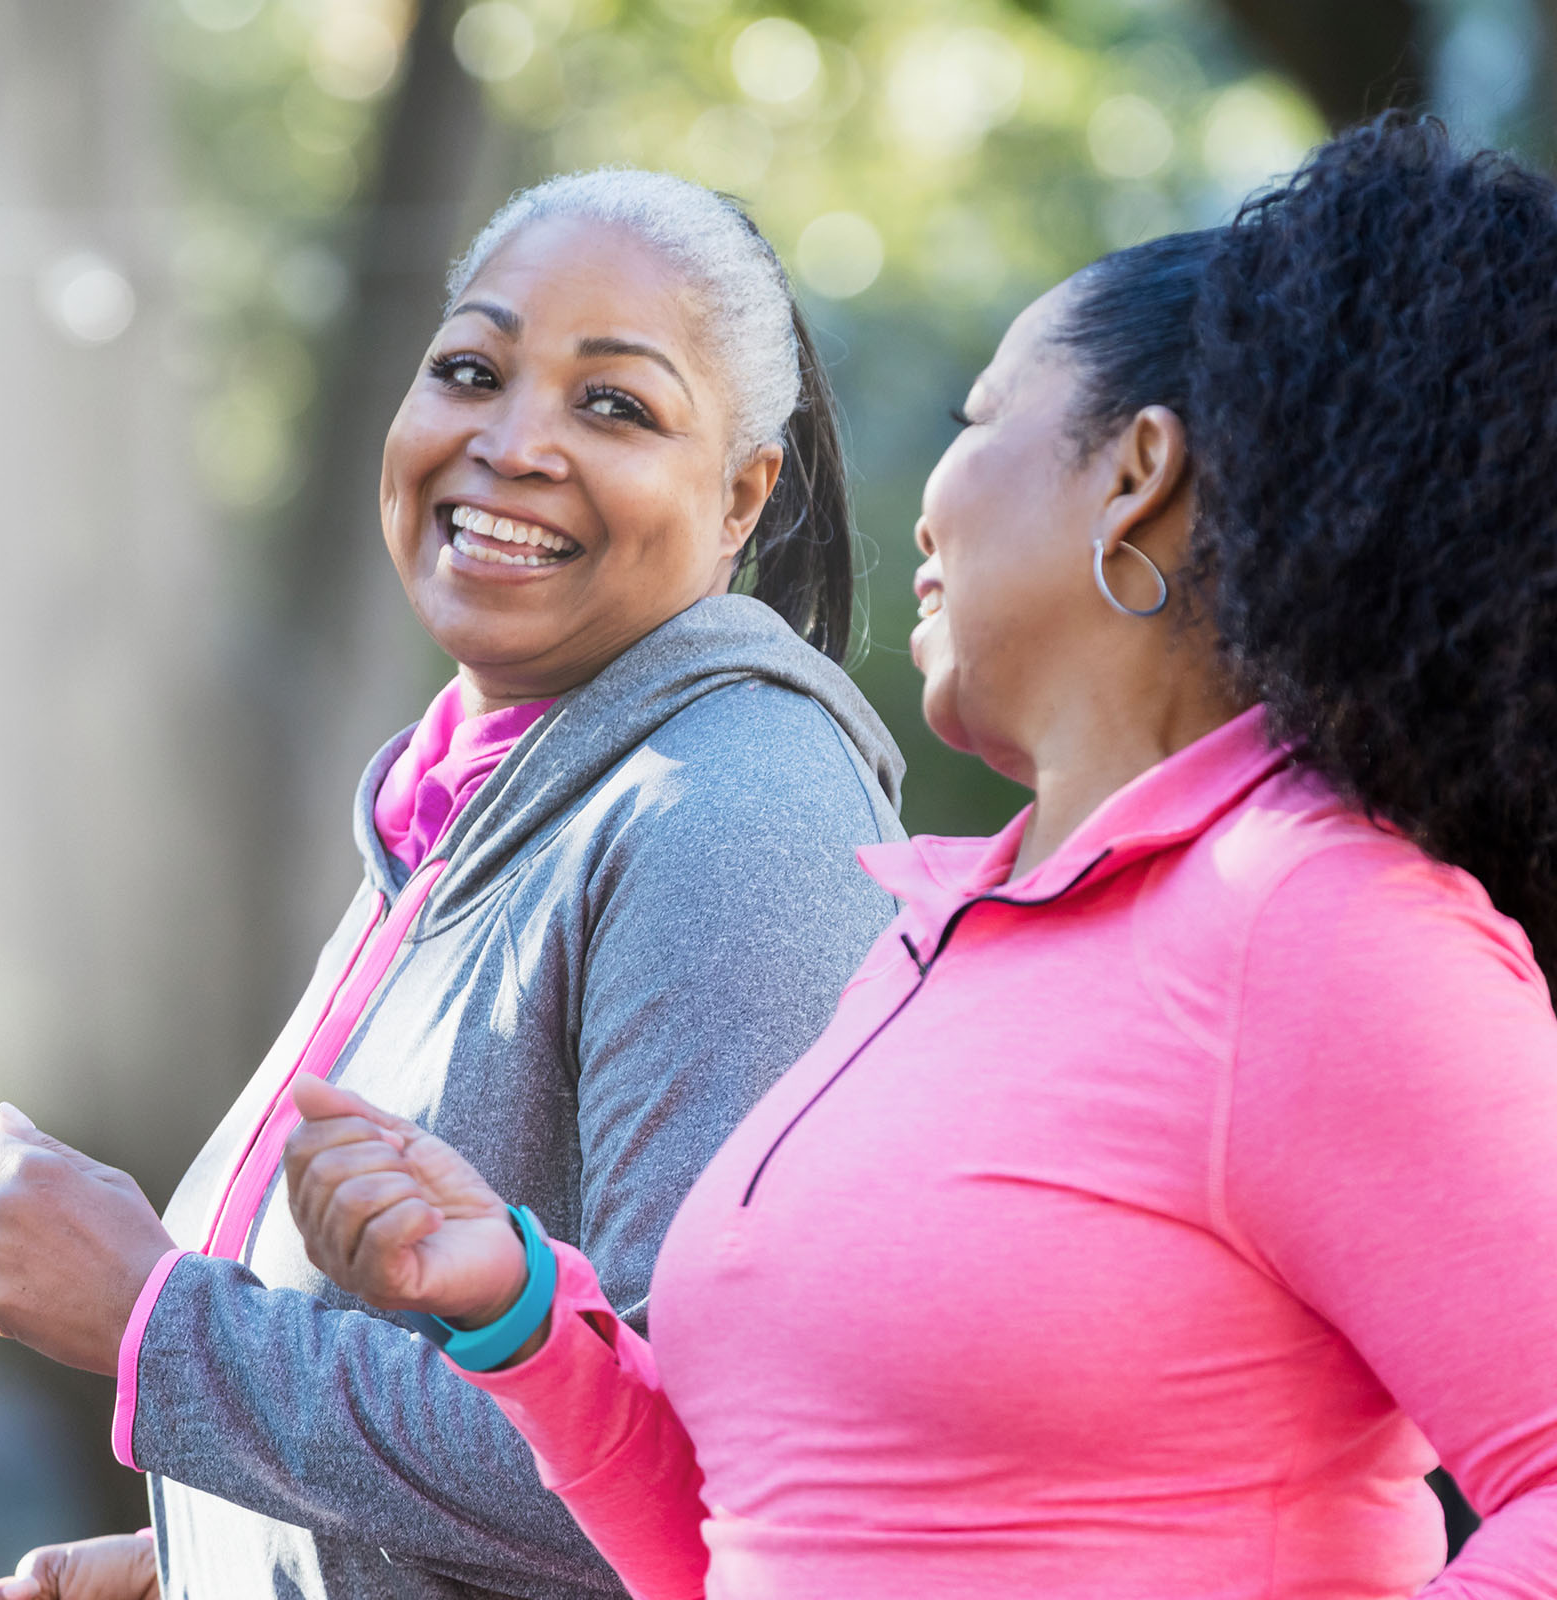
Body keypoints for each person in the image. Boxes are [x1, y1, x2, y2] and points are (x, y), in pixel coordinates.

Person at [282, 115, 1557, 1600]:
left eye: (977, 414)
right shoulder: (933, 943)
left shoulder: (1313, 921)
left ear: (1136, 475)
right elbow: (756, 1536)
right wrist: (516, 1314)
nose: (926, 507)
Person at [0, 171, 907, 1600]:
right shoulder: (464, 801)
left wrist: (160, 1320)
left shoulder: (733, 809)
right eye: (471, 369)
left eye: (616, 406)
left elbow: (693, 1482)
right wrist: (199, 1562)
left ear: (742, 495)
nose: (511, 443)